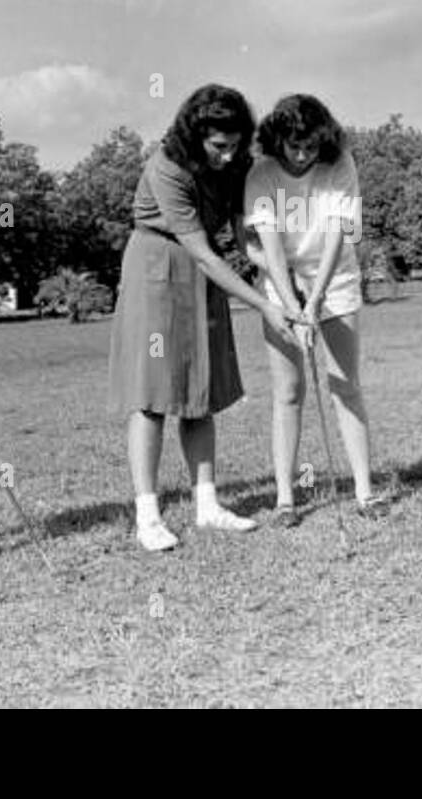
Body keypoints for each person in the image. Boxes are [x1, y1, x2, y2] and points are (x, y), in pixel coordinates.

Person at [109, 84, 304, 552]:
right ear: (195, 134)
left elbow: (244, 239)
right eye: (219, 146)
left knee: (203, 389)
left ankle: (207, 504)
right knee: (153, 394)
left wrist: (280, 282)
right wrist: (263, 306)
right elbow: (201, 254)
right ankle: (148, 515)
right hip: (159, 267)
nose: (228, 155)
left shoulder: (236, 164)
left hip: (204, 268)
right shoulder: (166, 168)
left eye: (236, 145)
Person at [243, 94, 386, 527]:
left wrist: (316, 302)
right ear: (278, 140)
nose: (303, 156)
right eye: (294, 147)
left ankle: (364, 492)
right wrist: (292, 307)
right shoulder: (261, 173)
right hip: (281, 279)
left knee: (345, 384)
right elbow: (267, 245)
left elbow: (337, 235)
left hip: (335, 280)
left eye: (311, 147)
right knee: (288, 392)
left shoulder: (340, 164)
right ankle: (286, 499)